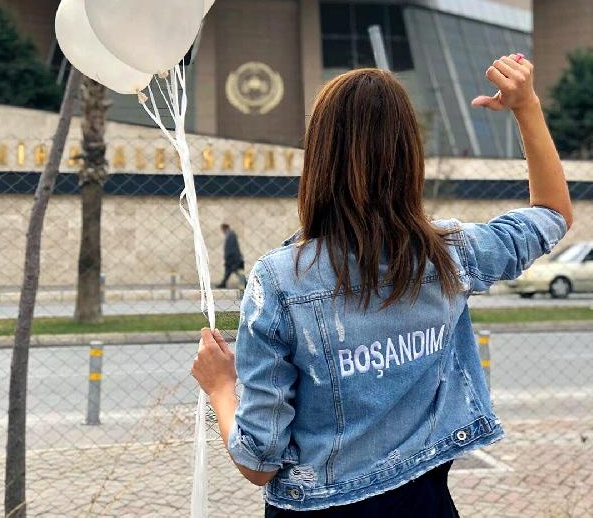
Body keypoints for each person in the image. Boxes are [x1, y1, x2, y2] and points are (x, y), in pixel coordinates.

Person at [192, 55, 572, 516]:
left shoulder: (279, 281)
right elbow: (552, 214)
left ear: (318, 157)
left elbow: (258, 463)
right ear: (410, 155)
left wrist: (220, 386)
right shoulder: (451, 254)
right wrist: (526, 106)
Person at [217, 223, 246, 289]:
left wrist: (228, 257)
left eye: (222, 229)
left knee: (237, 272)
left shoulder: (231, 235)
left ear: (225, 228)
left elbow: (231, 248)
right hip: (233, 258)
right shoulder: (230, 234)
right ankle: (223, 283)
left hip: (233, 258)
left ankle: (244, 284)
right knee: (230, 272)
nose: (222, 231)